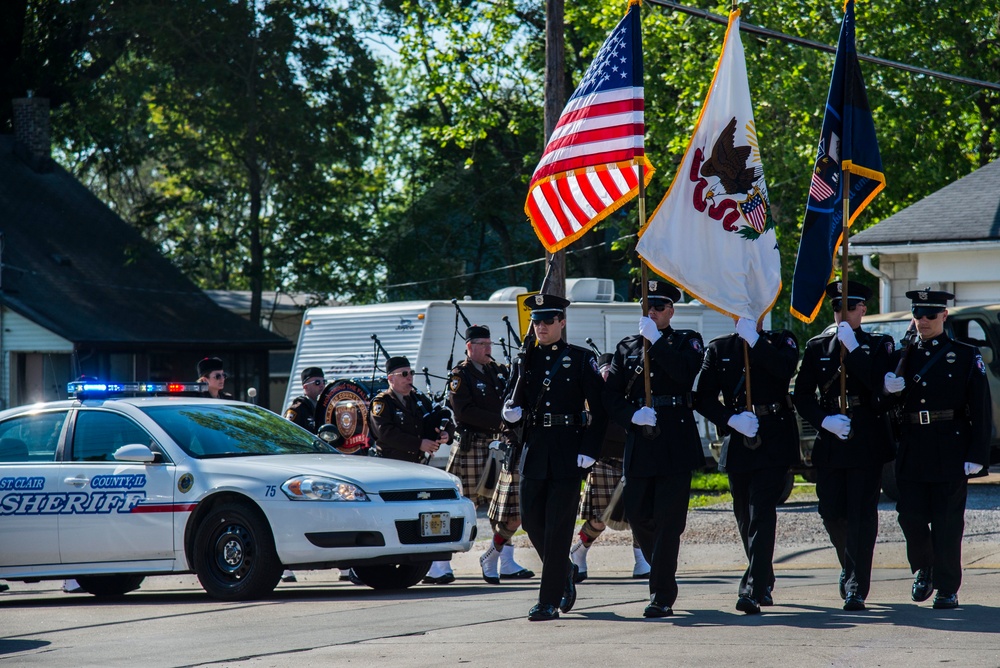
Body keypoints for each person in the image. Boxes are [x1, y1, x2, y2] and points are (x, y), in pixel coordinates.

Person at [600, 280, 704, 618]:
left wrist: (657, 341)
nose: (652, 312)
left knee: (669, 521)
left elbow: (685, 374)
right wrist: (632, 415)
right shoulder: (627, 346)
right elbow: (611, 396)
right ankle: (659, 565)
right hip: (641, 439)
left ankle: (661, 594)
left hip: (674, 436)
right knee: (637, 513)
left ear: (671, 311)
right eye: (648, 306)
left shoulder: (686, 340)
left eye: (659, 307)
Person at [882, 288, 992, 609]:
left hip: (950, 446)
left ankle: (946, 587)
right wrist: (888, 390)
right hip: (913, 446)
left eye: (931, 315)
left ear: (944, 315)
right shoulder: (902, 355)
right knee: (910, 517)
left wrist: (977, 455)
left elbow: (981, 409)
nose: (923, 321)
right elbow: (887, 405)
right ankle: (924, 568)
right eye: (918, 314)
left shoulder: (964, 354)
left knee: (947, 522)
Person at [501, 293, 607, 621]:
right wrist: (509, 412)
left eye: (548, 320)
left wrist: (590, 449)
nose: (541, 326)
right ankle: (565, 570)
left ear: (562, 322)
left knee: (558, 528)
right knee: (532, 521)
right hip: (534, 449)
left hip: (567, 450)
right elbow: (511, 400)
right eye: (536, 320)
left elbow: (601, 411)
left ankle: (548, 601)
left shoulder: (579, 358)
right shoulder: (524, 359)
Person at [793, 281, 895, 611]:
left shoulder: (878, 345)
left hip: (866, 436)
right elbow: (802, 394)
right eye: (837, 307)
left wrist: (853, 348)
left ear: (863, 309)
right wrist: (824, 421)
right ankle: (849, 566)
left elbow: (880, 384)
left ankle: (855, 585)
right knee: (831, 511)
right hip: (832, 437)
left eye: (849, 307)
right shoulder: (817, 346)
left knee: (861, 514)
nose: (842, 313)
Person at [695, 316, 799, 615]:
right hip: (739, 437)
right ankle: (764, 575)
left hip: (774, 436)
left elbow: (784, 370)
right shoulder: (720, 347)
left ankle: (752, 587)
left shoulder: (781, 340)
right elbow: (702, 398)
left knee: (761, 511)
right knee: (743, 514)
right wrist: (730, 419)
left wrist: (755, 342)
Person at [447, 324, 534, 583]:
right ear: (469, 347)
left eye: (489, 343)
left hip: (499, 447)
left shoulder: (498, 371)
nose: (488, 349)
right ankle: (439, 565)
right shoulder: (460, 375)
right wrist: (502, 422)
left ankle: (505, 561)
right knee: (462, 508)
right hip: (471, 448)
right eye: (482, 344)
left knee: (505, 509)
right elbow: (463, 412)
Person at [369, 355, 454, 584]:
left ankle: (429, 565)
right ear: (391, 378)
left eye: (411, 373)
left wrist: (446, 434)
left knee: (421, 515)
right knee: (394, 518)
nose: (409, 378)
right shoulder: (382, 402)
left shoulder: (418, 399)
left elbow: (440, 417)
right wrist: (419, 444)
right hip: (391, 469)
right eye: (404, 374)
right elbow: (385, 433)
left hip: (417, 468)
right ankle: (369, 567)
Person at [569, 352, 651, 585]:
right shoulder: (593, 396)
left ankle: (641, 560)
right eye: (604, 373)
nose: (607, 377)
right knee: (600, 518)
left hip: (632, 458)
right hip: (604, 459)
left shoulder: (627, 395)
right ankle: (580, 551)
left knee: (640, 513)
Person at [284, 367, 326, 433]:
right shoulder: (297, 409)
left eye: (324, 382)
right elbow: (287, 431)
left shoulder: (323, 407)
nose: (322, 385)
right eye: (317, 382)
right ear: (305, 387)